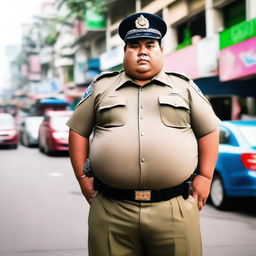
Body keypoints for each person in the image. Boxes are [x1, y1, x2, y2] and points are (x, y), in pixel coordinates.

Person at [67, 12, 220, 256]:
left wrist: (205, 175)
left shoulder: (184, 87)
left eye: (150, 45)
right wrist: (81, 178)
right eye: (134, 46)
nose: (142, 51)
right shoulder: (101, 87)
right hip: (111, 209)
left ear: (161, 50)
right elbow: (78, 131)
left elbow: (208, 131)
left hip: (174, 209)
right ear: (124, 52)